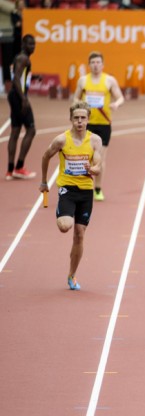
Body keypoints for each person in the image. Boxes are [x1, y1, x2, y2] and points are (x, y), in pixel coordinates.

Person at [38, 102, 103, 291]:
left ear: (88, 119)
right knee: (65, 226)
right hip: (67, 189)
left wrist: (93, 168)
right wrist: (44, 181)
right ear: (71, 120)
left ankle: (72, 275)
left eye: (83, 118)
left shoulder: (94, 141)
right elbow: (45, 156)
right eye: (76, 118)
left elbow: (99, 164)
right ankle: (62, 213)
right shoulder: (61, 140)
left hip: (86, 192)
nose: (80, 121)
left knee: (79, 234)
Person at [73, 51, 125, 201]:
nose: (95, 65)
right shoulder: (83, 81)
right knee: (84, 156)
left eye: (98, 62)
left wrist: (116, 103)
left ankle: (97, 189)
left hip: (103, 124)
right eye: (93, 63)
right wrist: (78, 106)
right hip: (85, 124)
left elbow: (120, 97)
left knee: (99, 158)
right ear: (89, 65)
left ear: (102, 65)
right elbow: (75, 97)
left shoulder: (109, 80)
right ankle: (82, 186)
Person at [6, 34, 36, 181]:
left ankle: (10, 170)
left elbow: (20, 75)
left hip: (14, 95)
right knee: (31, 129)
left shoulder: (20, 58)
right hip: (18, 96)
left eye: (34, 44)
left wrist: (34, 77)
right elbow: (16, 78)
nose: (33, 47)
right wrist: (24, 98)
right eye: (30, 44)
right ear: (23, 45)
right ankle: (19, 167)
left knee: (15, 131)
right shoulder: (24, 58)